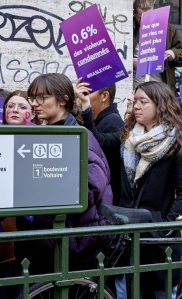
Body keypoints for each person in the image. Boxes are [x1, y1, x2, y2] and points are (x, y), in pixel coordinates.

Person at [15, 74, 113, 275]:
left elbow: (92, 186)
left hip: (70, 238)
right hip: (45, 237)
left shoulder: (78, 135)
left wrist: (53, 202)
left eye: (42, 97)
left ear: (63, 99)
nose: (35, 103)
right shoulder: (45, 132)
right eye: (32, 98)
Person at [119, 81, 182, 298]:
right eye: (135, 102)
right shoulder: (127, 139)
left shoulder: (177, 143)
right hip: (128, 235)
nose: (137, 107)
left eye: (144, 102)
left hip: (159, 241)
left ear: (160, 105)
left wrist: (163, 226)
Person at [75, 80, 125, 205]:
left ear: (104, 96)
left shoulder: (112, 121)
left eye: (86, 93)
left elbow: (97, 144)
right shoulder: (98, 120)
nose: (82, 97)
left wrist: (85, 107)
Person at [132, 0, 182, 90]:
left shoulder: (168, 30)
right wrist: (130, 62)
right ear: (134, 13)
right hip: (136, 86)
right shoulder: (128, 31)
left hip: (161, 86)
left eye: (149, 17)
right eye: (141, 18)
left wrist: (172, 53)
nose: (146, 22)